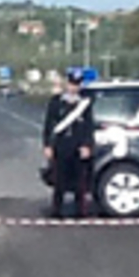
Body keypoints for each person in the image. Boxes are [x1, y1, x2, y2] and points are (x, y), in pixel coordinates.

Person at [42, 68, 96, 218]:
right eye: (72, 83)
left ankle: (80, 211)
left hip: (78, 145)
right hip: (61, 145)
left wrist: (87, 144)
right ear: (67, 83)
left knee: (80, 181)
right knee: (59, 180)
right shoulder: (56, 102)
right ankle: (56, 211)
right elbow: (49, 125)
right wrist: (47, 145)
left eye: (77, 84)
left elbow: (88, 126)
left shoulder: (84, 103)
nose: (74, 87)